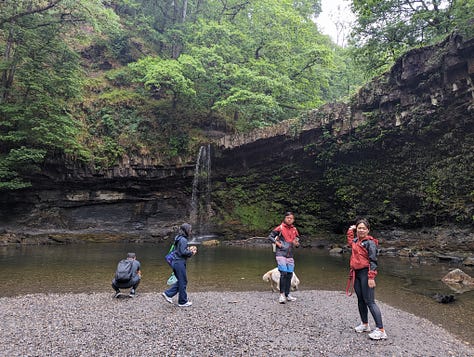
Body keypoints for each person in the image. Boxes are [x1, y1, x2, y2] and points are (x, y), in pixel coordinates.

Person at [346, 218, 387, 340]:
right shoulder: (355, 241)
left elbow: (373, 261)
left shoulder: (371, 243)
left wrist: (371, 277)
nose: (361, 230)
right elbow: (349, 241)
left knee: (370, 301)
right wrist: (350, 230)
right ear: (356, 229)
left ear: (368, 230)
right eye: (359, 228)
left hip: (365, 273)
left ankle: (381, 330)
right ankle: (365, 324)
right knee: (361, 300)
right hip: (356, 274)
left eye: (364, 228)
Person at [162, 223, 197, 307]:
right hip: (179, 262)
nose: (190, 231)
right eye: (189, 229)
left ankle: (168, 294)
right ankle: (182, 301)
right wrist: (191, 252)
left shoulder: (178, 238)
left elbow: (178, 251)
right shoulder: (183, 240)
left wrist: (187, 250)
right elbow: (182, 252)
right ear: (186, 230)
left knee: (182, 281)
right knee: (183, 281)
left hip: (175, 262)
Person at [268, 212, 300, 304]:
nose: (289, 219)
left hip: (290, 255)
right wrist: (277, 243)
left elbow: (297, 240)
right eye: (287, 218)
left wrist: (297, 243)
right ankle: (281, 295)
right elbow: (270, 236)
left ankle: (288, 294)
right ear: (285, 218)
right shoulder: (280, 228)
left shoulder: (294, 229)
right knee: (284, 273)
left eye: (291, 218)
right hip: (280, 253)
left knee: (290, 274)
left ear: (293, 220)